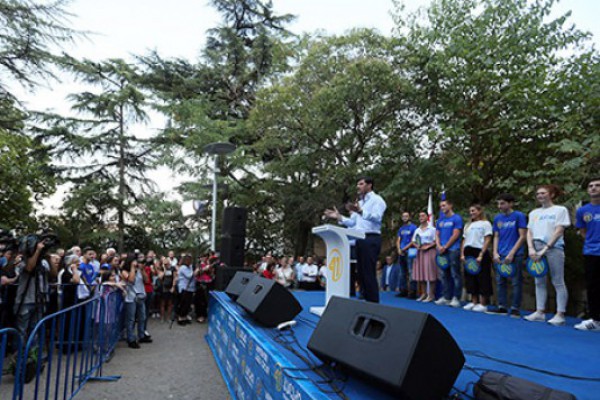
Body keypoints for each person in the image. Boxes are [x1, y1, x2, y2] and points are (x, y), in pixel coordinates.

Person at [324, 176, 387, 303]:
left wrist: (361, 211)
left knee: (369, 272)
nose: (358, 186)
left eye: (361, 184)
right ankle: (365, 300)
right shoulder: (361, 202)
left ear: (369, 185)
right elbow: (353, 223)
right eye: (357, 184)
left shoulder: (377, 200)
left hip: (371, 238)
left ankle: (373, 303)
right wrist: (339, 217)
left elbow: (377, 217)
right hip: (359, 239)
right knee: (361, 273)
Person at [525, 184, 571, 326]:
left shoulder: (560, 210)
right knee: (539, 280)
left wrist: (545, 248)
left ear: (551, 194)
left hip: (553, 247)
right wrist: (531, 248)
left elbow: (559, 230)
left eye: (543, 193)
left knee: (557, 280)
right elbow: (529, 231)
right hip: (536, 247)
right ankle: (540, 312)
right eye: (538, 193)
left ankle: (560, 314)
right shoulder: (534, 213)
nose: (540, 196)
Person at [488, 193, 527, 317]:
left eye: (503, 203)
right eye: (498, 203)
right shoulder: (497, 218)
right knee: (500, 281)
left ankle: (515, 308)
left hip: (515, 254)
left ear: (511, 203)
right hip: (500, 254)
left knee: (516, 281)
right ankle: (502, 307)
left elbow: (522, 236)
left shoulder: (518, 216)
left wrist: (512, 253)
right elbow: (496, 236)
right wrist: (495, 252)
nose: (500, 206)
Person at [574, 178, 600, 331]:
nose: (593, 188)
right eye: (591, 186)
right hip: (591, 252)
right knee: (593, 287)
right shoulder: (582, 211)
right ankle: (596, 320)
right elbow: (583, 231)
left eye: (597, 185)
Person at [461, 204, 493, 312]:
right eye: (470, 211)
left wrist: (481, 254)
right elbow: (464, 240)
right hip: (468, 251)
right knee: (470, 277)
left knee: (483, 277)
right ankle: (473, 301)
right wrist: (462, 254)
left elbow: (487, 239)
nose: (471, 213)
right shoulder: (468, 225)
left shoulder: (486, 223)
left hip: (479, 250)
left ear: (479, 211)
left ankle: (483, 303)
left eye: (473, 210)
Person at [435, 199, 463, 307]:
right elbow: (437, 234)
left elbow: (456, 234)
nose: (442, 208)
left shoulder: (457, 218)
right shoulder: (440, 220)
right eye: (441, 206)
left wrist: (445, 247)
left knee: (455, 274)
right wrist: (438, 246)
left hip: (453, 250)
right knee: (444, 274)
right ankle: (446, 297)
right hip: (441, 250)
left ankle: (456, 298)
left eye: (444, 205)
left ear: (450, 205)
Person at [122, 255, 151, 348]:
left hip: (141, 295)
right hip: (131, 297)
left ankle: (141, 335)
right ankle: (131, 338)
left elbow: (147, 280)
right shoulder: (124, 271)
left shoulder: (139, 270)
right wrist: (132, 268)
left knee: (142, 317)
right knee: (131, 319)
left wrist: (142, 270)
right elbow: (131, 280)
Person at [411, 211, 438, 302]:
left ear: (427, 217)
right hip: (420, 252)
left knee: (430, 272)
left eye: (423, 215)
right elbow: (413, 241)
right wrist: (417, 246)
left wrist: (428, 246)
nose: (421, 217)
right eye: (419, 216)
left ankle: (431, 294)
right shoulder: (417, 230)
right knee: (421, 273)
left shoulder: (432, 229)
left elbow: (436, 241)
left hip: (429, 251)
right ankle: (423, 293)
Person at [396, 212, 417, 298]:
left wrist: (404, 249)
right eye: (403, 216)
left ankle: (412, 291)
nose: (404, 218)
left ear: (409, 217)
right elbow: (398, 239)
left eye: (406, 216)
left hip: (410, 251)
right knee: (402, 272)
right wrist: (398, 249)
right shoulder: (401, 228)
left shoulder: (413, 227)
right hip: (401, 252)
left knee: (411, 271)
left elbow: (414, 240)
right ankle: (403, 290)